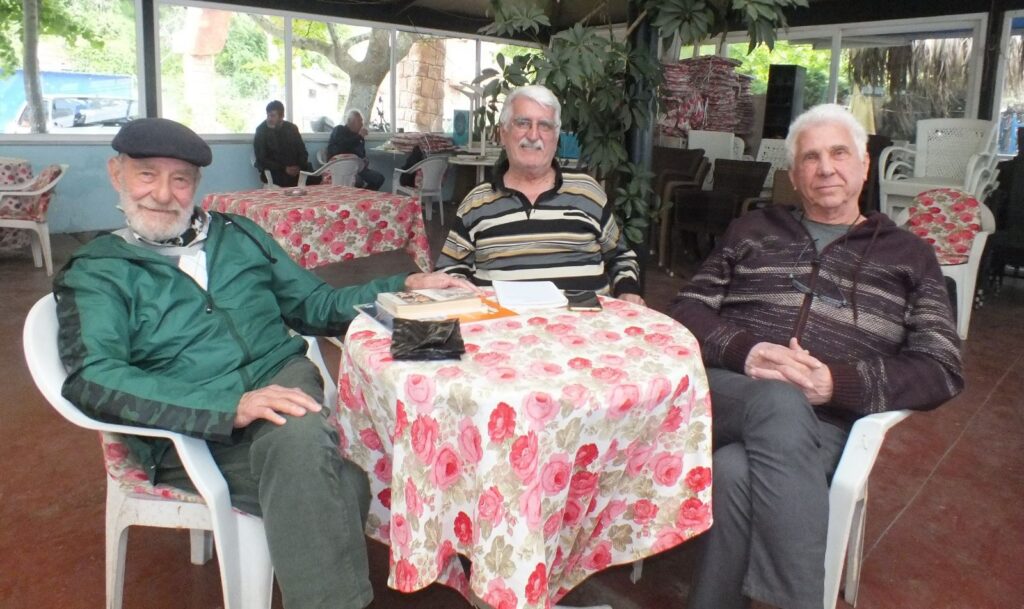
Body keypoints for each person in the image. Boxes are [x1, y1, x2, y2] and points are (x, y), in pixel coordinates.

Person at [54, 117, 475, 609]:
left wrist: (401, 285)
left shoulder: (238, 235)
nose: (163, 194)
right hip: (190, 431)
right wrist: (228, 405)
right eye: (147, 175)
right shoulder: (100, 270)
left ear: (196, 183)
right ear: (117, 173)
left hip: (283, 379)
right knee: (345, 476)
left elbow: (314, 304)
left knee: (302, 428)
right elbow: (94, 377)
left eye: (180, 179)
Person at [670, 104, 964, 609]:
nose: (825, 168)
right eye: (810, 157)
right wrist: (745, 350)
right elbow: (685, 310)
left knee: (737, 472)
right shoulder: (752, 230)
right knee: (778, 402)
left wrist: (837, 384)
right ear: (793, 175)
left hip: (825, 424)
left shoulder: (909, 255)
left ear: (864, 166)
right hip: (728, 396)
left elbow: (941, 367)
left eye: (838, 153)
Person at [435, 84, 644, 304]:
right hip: (505, 321)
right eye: (522, 123)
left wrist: (627, 290)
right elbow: (450, 272)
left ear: (556, 137)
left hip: (586, 321)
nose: (533, 135)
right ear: (503, 133)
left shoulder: (587, 193)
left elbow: (620, 257)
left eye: (544, 125)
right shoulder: (476, 202)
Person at [253, 100, 320, 187]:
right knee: (290, 182)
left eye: (272, 116)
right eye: (268, 115)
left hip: (296, 169)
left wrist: (298, 166)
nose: (269, 119)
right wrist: (284, 169)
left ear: (281, 117)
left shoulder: (292, 128)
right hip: (276, 171)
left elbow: (302, 152)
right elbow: (262, 159)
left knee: (317, 178)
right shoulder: (261, 131)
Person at [327, 109, 384, 191]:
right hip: (341, 167)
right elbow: (342, 146)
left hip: (357, 168)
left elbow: (361, 153)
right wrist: (359, 137)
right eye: (359, 121)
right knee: (357, 181)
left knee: (379, 178)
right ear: (350, 121)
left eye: (362, 121)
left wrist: (364, 159)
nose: (362, 124)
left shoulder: (358, 136)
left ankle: (363, 196)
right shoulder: (339, 130)